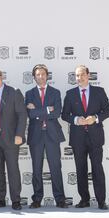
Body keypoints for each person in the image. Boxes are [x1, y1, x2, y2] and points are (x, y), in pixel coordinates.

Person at [62, 65, 109, 210]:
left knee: (97, 168)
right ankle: (84, 199)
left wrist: (95, 118)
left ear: (88, 75)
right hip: (78, 139)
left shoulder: (99, 91)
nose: (80, 78)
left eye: (82, 74)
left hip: (95, 137)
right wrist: (76, 120)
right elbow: (65, 115)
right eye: (77, 75)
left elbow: (108, 111)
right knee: (80, 169)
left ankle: (101, 201)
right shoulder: (70, 94)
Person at [25, 64, 68, 209]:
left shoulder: (55, 92)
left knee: (55, 167)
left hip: (52, 135)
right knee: (36, 168)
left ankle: (60, 199)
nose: (41, 77)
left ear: (47, 75)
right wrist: (47, 110)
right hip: (36, 135)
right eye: (38, 74)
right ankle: (37, 199)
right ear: (34, 77)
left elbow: (57, 113)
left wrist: (38, 111)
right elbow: (30, 114)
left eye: (43, 74)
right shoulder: (29, 93)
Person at [0, 68, 27, 210]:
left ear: (1, 76)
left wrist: (19, 135)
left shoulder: (14, 92)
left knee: (13, 169)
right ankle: (0, 198)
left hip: (10, 138)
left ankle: (16, 200)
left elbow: (22, 115)